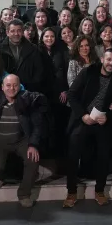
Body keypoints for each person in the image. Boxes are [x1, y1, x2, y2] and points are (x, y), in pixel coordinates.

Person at [63, 48, 112, 208]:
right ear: (102, 59)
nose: (111, 63)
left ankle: (100, 191)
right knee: (72, 154)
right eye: (109, 59)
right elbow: (71, 95)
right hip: (83, 119)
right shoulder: (88, 72)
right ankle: (71, 192)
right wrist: (83, 115)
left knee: (103, 156)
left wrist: (109, 116)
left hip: (103, 122)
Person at [0, 74, 48, 208]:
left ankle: (24, 194)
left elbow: (38, 125)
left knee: (33, 160)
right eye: (8, 85)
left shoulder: (27, 100)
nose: (11, 88)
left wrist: (33, 144)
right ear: (2, 87)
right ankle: (3, 177)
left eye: (15, 85)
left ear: (20, 86)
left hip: (21, 141)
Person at [39, 27, 70, 161]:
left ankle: (59, 155)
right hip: (43, 92)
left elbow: (67, 71)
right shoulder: (38, 51)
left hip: (59, 92)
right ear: (42, 38)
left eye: (52, 36)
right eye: (46, 36)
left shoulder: (61, 51)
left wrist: (65, 90)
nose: (49, 39)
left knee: (59, 124)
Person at [0, 20, 46, 93]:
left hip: (28, 91)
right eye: (12, 31)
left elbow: (39, 71)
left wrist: (32, 88)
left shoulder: (33, 49)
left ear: (22, 32)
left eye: (19, 31)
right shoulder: (0, 49)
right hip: (6, 91)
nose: (16, 34)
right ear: (7, 32)